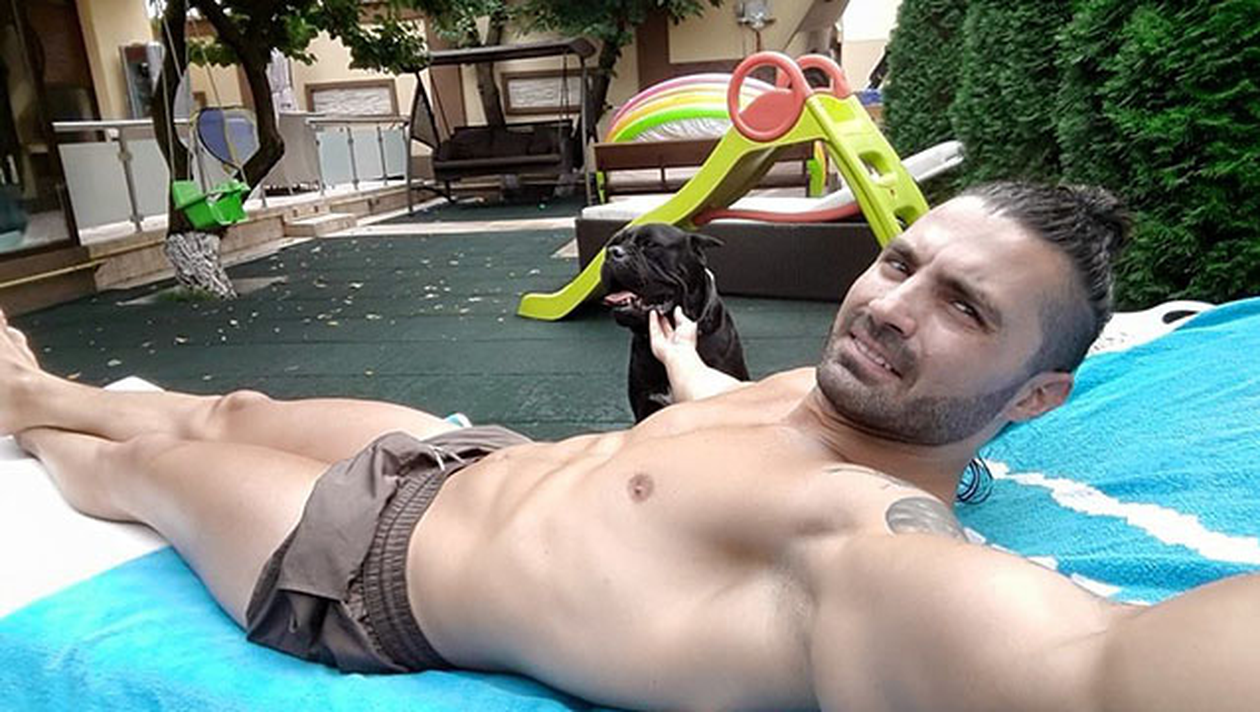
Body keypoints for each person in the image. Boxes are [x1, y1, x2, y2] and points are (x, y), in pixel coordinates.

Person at [2, 181, 1257, 712]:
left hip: (365, 568)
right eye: (900, 261)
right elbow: (730, 416)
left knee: (125, 463)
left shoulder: (863, 536)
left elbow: (1101, 674)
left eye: (963, 308)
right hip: (468, 456)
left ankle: (23, 403)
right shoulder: (838, 397)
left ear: (1037, 396)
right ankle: (37, 380)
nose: (889, 306)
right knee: (222, 404)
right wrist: (691, 368)